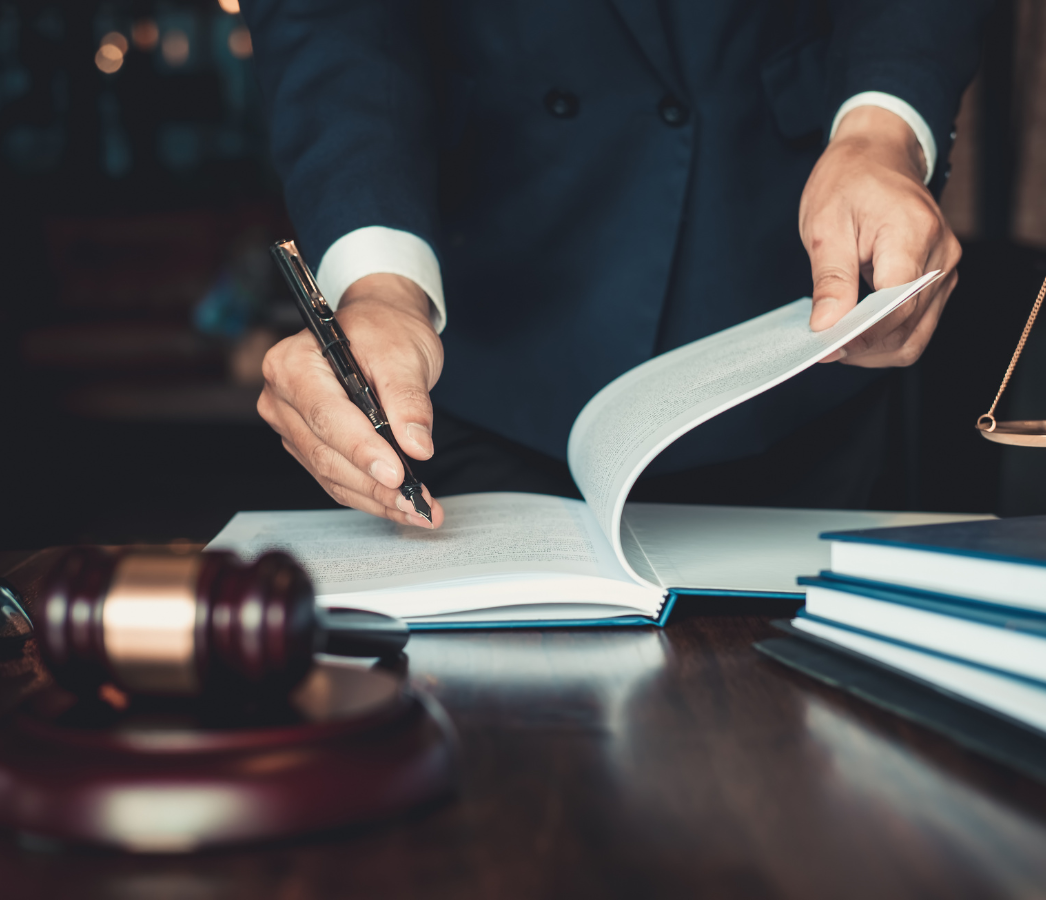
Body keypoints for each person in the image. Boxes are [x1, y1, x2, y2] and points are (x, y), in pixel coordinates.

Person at [244, 0, 993, 529]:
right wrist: (379, 285)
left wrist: (881, 132)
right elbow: (333, 20)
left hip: (796, 311)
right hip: (485, 319)